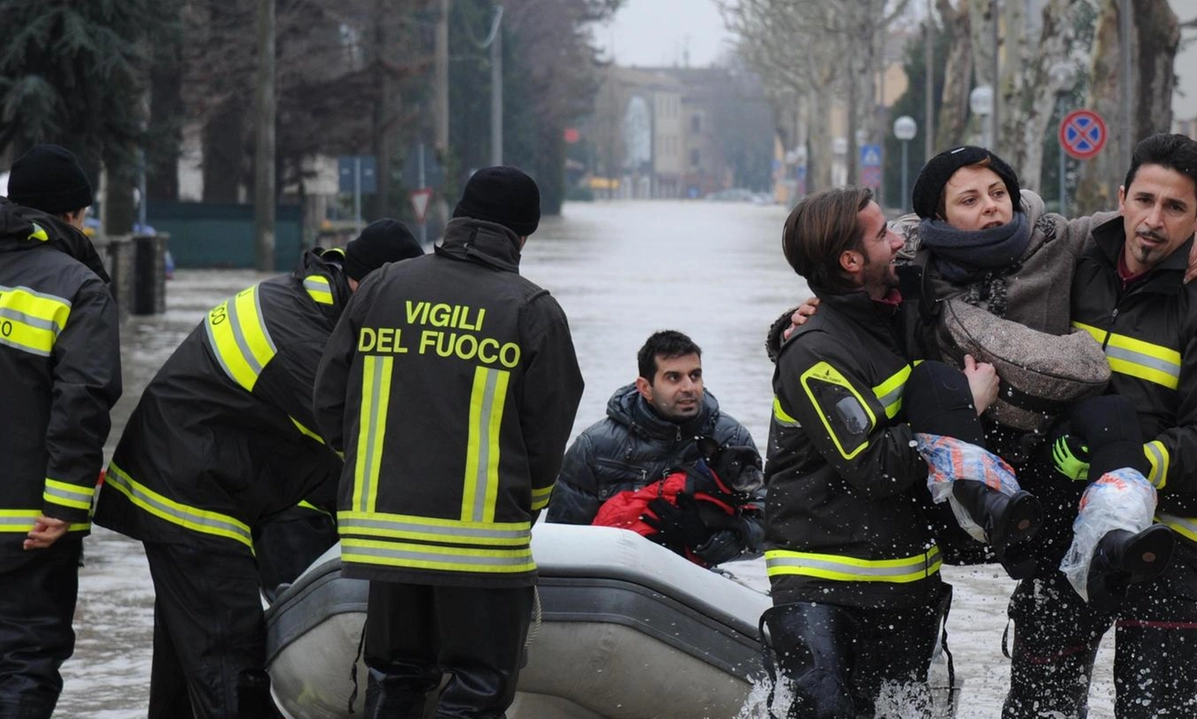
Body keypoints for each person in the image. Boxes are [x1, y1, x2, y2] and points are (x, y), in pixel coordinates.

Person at [91, 218, 423, 719]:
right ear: (367, 285)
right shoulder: (304, 344)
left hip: (201, 484)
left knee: (186, 675)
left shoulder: (318, 307)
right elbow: (367, 448)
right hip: (193, 498)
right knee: (233, 665)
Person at [314, 166, 584, 718]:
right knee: (477, 689)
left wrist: (375, 482)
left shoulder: (384, 285)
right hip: (481, 543)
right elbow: (548, 434)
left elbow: (329, 401)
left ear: (457, 217)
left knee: (397, 677)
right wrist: (521, 511)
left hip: (382, 538)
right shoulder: (532, 311)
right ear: (523, 235)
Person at [1004, 134, 1197, 717]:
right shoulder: (1073, 269)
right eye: (1144, 199)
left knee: (1154, 709)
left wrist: (1127, 467)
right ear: (1120, 197)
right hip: (1066, 529)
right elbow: (962, 270)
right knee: (1037, 706)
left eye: (1174, 208)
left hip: (1171, 544)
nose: (1153, 219)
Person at [763, 185, 1005, 717]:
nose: (899, 241)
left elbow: (1029, 230)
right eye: (882, 234)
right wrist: (962, 406)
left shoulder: (898, 314)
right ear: (851, 261)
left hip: (905, 585)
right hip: (825, 592)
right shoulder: (813, 350)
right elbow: (875, 467)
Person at [0, 145, 122, 719]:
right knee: (26, 661)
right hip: (27, 524)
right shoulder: (77, 286)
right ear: (72, 216)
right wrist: (67, 506)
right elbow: (83, 401)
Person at [546, 330, 764, 566]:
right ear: (645, 387)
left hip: (699, 577)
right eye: (674, 377)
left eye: (695, 375)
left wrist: (704, 540)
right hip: (613, 574)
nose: (689, 387)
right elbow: (562, 538)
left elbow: (768, 529)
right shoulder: (594, 446)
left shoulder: (732, 438)